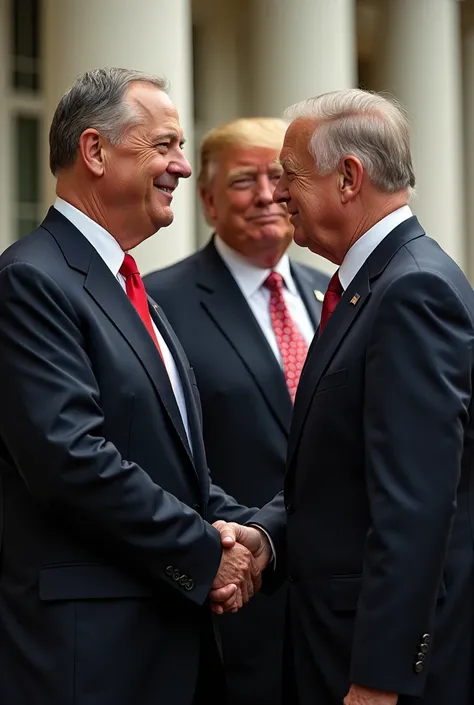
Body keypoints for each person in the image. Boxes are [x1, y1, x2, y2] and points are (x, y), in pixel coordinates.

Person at [0, 67, 262, 705]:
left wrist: (248, 534)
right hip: (89, 655)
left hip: (164, 641)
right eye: (165, 146)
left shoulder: (127, 286)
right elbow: (69, 459)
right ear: (94, 151)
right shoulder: (31, 281)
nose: (183, 166)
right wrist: (205, 552)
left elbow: (168, 463)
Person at [214, 89, 474, 705]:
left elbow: (415, 505)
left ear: (349, 177)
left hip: (376, 672)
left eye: (291, 177)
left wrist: (381, 678)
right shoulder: (373, 285)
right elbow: (344, 471)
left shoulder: (411, 292)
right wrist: (268, 536)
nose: (277, 196)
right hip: (333, 644)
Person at [144, 117, 329, 705]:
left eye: (280, 177)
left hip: (335, 604)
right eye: (245, 180)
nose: (268, 195)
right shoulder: (154, 303)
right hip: (227, 600)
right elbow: (157, 453)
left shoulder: (339, 294)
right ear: (207, 200)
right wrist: (238, 549)